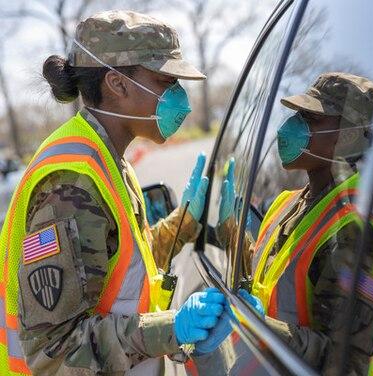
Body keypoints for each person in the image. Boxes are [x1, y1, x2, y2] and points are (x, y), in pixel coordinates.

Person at [0, 10, 233, 375]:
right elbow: (56, 353)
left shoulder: (107, 160)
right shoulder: (72, 183)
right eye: (165, 81)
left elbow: (117, 268)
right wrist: (172, 330)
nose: (180, 97)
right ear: (118, 84)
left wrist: (182, 224)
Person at [215, 72, 373, 375]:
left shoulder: (353, 230)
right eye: (297, 114)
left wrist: (254, 323)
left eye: (310, 118)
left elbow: (341, 361)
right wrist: (229, 229)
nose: (290, 127)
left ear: (348, 136)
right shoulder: (288, 202)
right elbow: (267, 281)